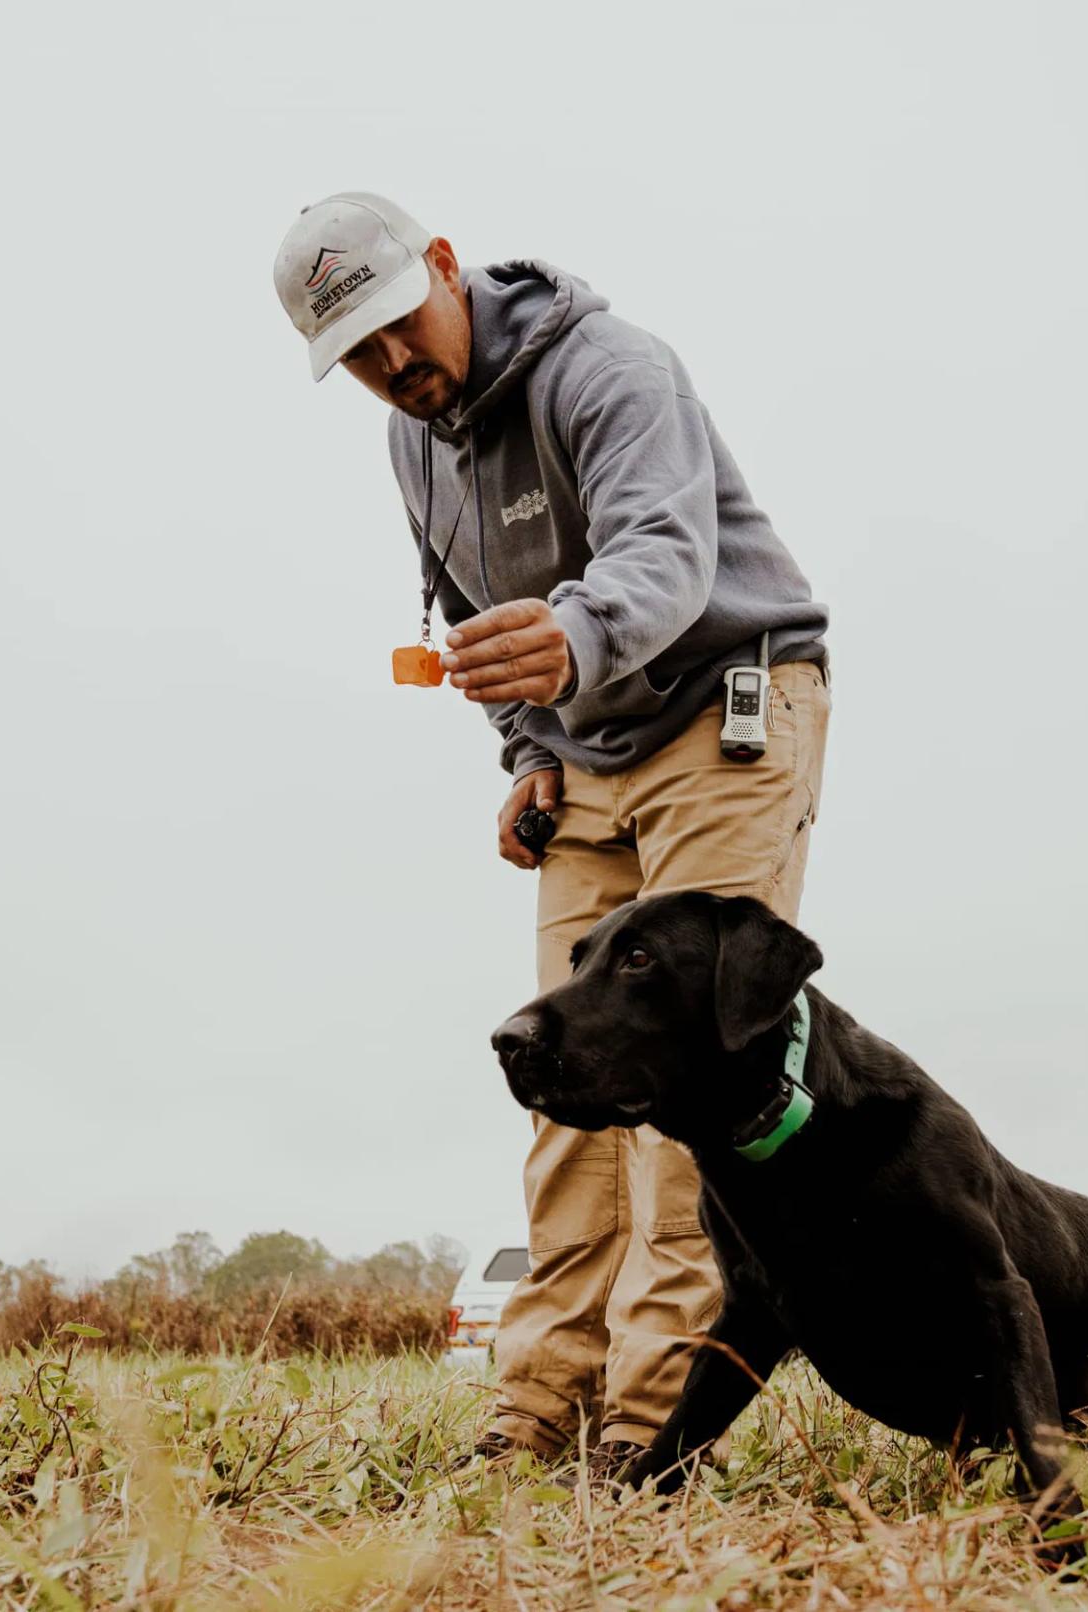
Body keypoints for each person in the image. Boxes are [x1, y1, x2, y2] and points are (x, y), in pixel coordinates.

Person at [271, 192, 832, 1479]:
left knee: (693, 1072)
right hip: (588, 749)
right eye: (357, 354)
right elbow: (476, 617)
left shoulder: (610, 366)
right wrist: (528, 755)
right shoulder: (413, 445)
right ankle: (533, 1414)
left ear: (447, 268)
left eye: (399, 327)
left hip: (726, 708)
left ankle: (652, 1429)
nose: (395, 368)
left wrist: (574, 639)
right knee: (565, 1067)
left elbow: (665, 552)